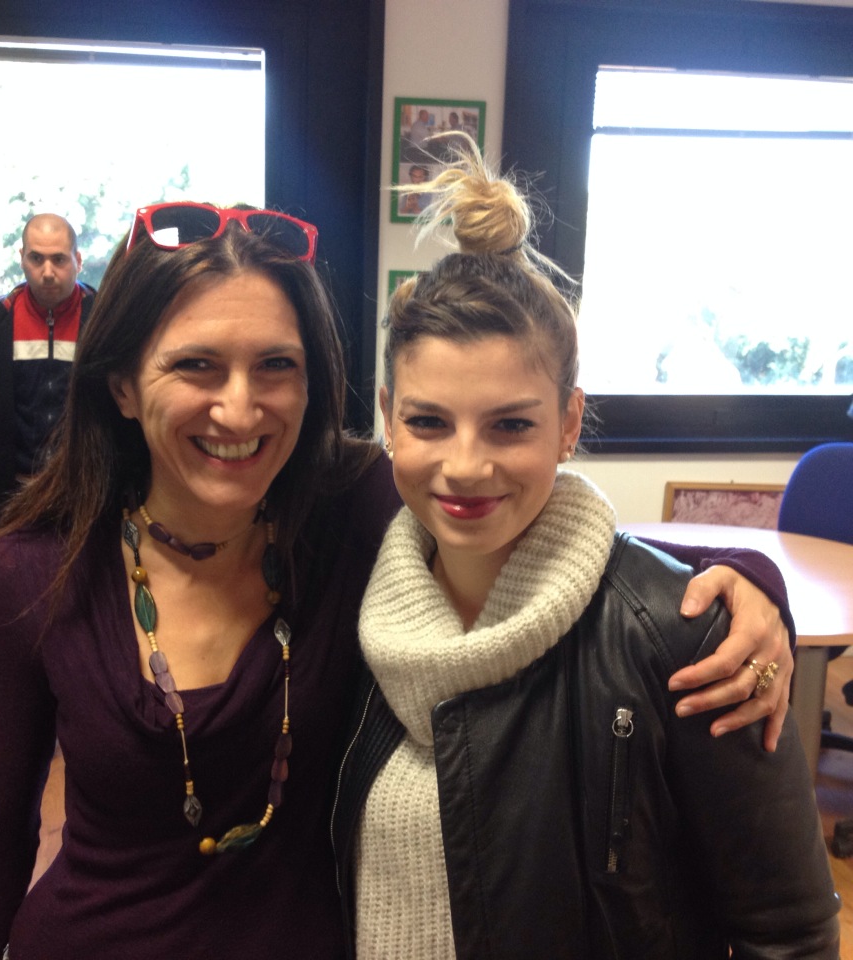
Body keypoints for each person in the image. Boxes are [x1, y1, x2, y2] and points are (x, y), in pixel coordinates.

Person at [0, 200, 795, 960]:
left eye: (277, 365)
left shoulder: (350, 508)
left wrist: (746, 582)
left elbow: (552, 540)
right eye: (197, 365)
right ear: (123, 384)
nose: (240, 408)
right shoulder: (34, 570)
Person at [331, 139, 840, 958]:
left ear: (568, 422)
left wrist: (752, 583)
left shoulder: (691, 643)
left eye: (511, 424)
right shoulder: (348, 603)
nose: (466, 465)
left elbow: (788, 932)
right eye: (428, 422)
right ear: (388, 416)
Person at [0, 213, 95, 533]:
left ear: (77, 261)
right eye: (36, 258)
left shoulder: (107, 321)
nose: (47, 272)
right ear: (22, 258)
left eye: (59, 259)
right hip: (9, 499)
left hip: (86, 497)